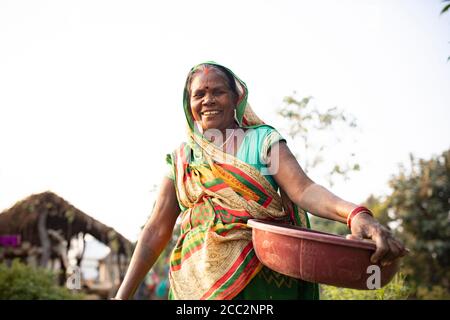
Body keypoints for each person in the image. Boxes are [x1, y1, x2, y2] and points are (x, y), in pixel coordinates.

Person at [114, 62, 407, 300]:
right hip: (196, 288)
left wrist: (355, 215)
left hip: (266, 283)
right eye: (199, 94)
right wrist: (122, 296)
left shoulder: (262, 140)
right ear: (188, 104)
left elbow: (303, 189)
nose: (208, 100)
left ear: (237, 99)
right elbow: (156, 228)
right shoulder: (182, 159)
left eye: (218, 92)